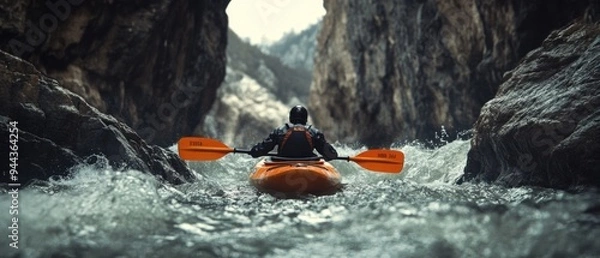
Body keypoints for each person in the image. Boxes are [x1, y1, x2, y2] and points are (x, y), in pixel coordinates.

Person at [250, 105, 338, 161]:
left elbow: (264, 148)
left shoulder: (280, 131)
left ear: (291, 118)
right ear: (305, 118)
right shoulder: (314, 132)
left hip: (282, 163)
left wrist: (254, 151)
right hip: (308, 164)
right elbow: (331, 154)